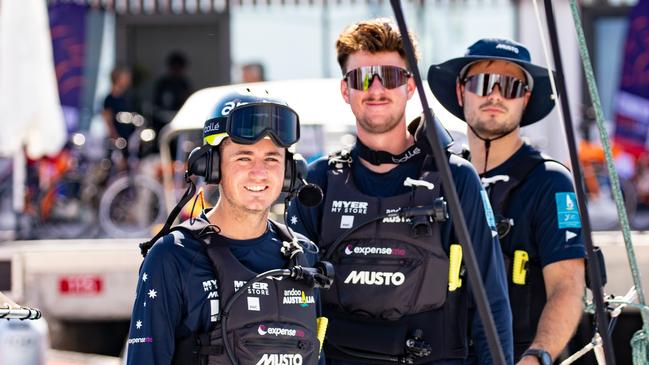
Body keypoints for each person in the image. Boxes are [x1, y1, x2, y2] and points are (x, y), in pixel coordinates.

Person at [288, 18, 513, 365]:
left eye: (390, 77)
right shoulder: (319, 181)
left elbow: (492, 301)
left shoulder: (456, 178)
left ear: (410, 87)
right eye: (362, 78)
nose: (376, 89)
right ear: (345, 90)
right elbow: (293, 300)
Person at [126, 90, 330, 365]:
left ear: (290, 172)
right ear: (213, 166)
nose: (259, 172)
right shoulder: (173, 256)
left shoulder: (304, 254)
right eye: (243, 157)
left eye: (272, 158)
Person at [428, 38, 586, 365]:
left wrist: (535, 357)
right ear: (461, 92)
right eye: (482, 83)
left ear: (525, 100)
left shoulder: (551, 182)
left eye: (511, 86)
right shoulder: (438, 177)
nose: (495, 95)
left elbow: (568, 288)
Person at [102, 66, 134, 143]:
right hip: (118, 142)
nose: (128, 81)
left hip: (128, 141)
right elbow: (107, 120)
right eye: (125, 78)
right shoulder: (110, 99)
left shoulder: (125, 98)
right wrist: (116, 138)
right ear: (118, 79)